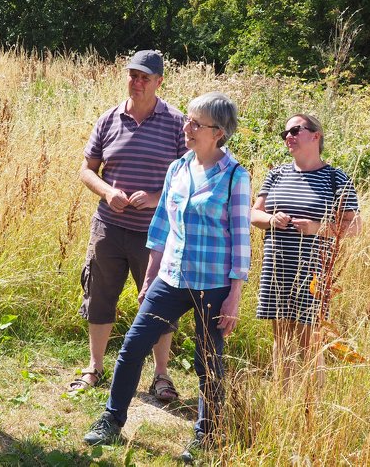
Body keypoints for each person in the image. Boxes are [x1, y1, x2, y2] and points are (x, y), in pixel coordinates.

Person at [83, 92, 251, 464]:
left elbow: (241, 238)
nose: (186, 127)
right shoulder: (178, 168)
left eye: (195, 123)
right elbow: (161, 228)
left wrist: (234, 296)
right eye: (187, 120)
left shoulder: (236, 177)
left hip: (214, 284)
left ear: (218, 132)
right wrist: (150, 277)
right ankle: (112, 419)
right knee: (132, 347)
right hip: (171, 278)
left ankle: (207, 435)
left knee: (208, 359)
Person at [71, 50, 186, 400]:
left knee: (157, 300)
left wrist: (154, 197)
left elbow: (187, 178)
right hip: (108, 227)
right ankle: (95, 367)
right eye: (132, 75)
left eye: (144, 78)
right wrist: (107, 192)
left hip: (156, 232)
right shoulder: (109, 119)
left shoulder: (177, 123)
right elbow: (86, 169)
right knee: (100, 295)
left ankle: (162, 375)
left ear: (159, 82)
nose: (136, 83)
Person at [251, 114, 361, 388]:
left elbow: (355, 227)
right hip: (276, 267)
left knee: (309, 340)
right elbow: (254, 214)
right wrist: (271, 220)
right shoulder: (276, 174)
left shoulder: (336, 178)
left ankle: (314, 408)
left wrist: (316, 228)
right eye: (285, 132)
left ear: (316, 136)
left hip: (313, 271)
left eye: (295, 130)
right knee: (281, 337)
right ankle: (284, 402)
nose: (288, 136)